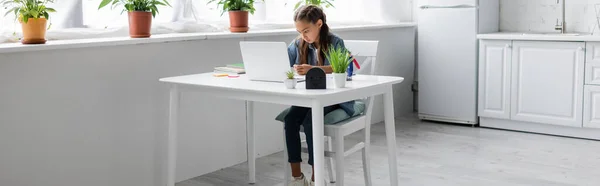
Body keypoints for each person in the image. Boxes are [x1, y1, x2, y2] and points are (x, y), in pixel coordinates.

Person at [285, 4, 356, 186]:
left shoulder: (335, 42)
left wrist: (314, 69)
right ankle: (297, 178)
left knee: (311, 121)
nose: (303, 36)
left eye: (306, 30)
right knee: (290, 119)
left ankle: (317, 178)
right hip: (309, 98)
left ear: (319, 24)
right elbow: (284, 65)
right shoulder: (298, 44)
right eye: (300, 31)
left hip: (335, 98)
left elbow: (339, 68)